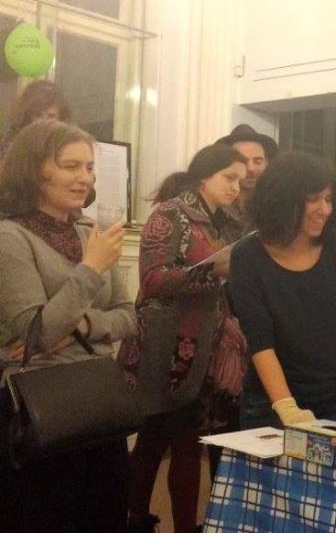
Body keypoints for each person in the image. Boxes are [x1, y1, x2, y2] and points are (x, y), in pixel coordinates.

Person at [0, 120, 137, 532]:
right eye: (70, 166)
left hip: (97, 401)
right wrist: (91, 268)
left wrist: (82, 323)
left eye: (90, 167)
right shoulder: (11, 238)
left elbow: (129, 316)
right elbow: (35, 333)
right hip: (39, 408)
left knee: (106, 514)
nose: (85, 178)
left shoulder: (89, 232)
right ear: (35, 169)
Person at [117, 144, 247, 533]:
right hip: (161, 348)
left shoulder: (219, 222)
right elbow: (153, 278)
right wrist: (214, 271)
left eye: (241, 181)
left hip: (198, 348)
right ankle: (140, 519)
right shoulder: (169, 213)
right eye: (229, 178)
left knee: (181, 441)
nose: (236, 187)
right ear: (204, 174)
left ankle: (165, 523)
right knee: (158, 439)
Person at [229, 151, 336, 428]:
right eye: (313, 199)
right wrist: (285, 406)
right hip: (269, 402)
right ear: (282, 200)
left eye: (328, 199)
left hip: (331, 396)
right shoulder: (247, 255)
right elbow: (259, 336)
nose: (324, 209)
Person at [216, 123, 279, 213]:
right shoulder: (215, 205)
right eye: (243, 162)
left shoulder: (275, 205)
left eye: (257, 161)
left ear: (266, 163)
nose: (251, 168)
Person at [0, 80, 72, 157]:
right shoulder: (14, 139)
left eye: (51, 116)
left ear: (60, 117)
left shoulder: (66, 140)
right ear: (28, 115)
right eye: (38, 115)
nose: (44, 121)